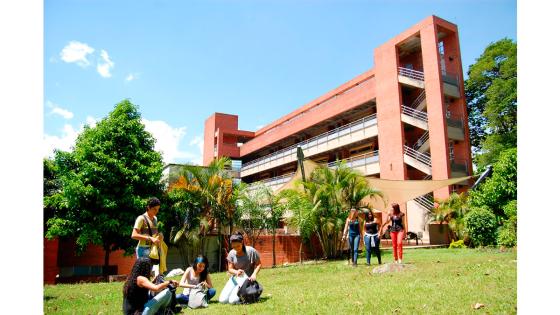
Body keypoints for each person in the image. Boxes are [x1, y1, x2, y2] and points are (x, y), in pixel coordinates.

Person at [219, 231, 262, 304]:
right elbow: (230, 268)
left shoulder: (251, 251)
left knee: (233, 301)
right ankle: (249, 295)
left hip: (246, 280)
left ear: (242, 242)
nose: (236, 248)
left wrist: (254, 274)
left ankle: (251, 293)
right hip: (235, 278)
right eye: (233, 247)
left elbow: (259, 264)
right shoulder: (231, 253)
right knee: (222, 300)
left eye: (238, 246)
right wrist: (236, 272)